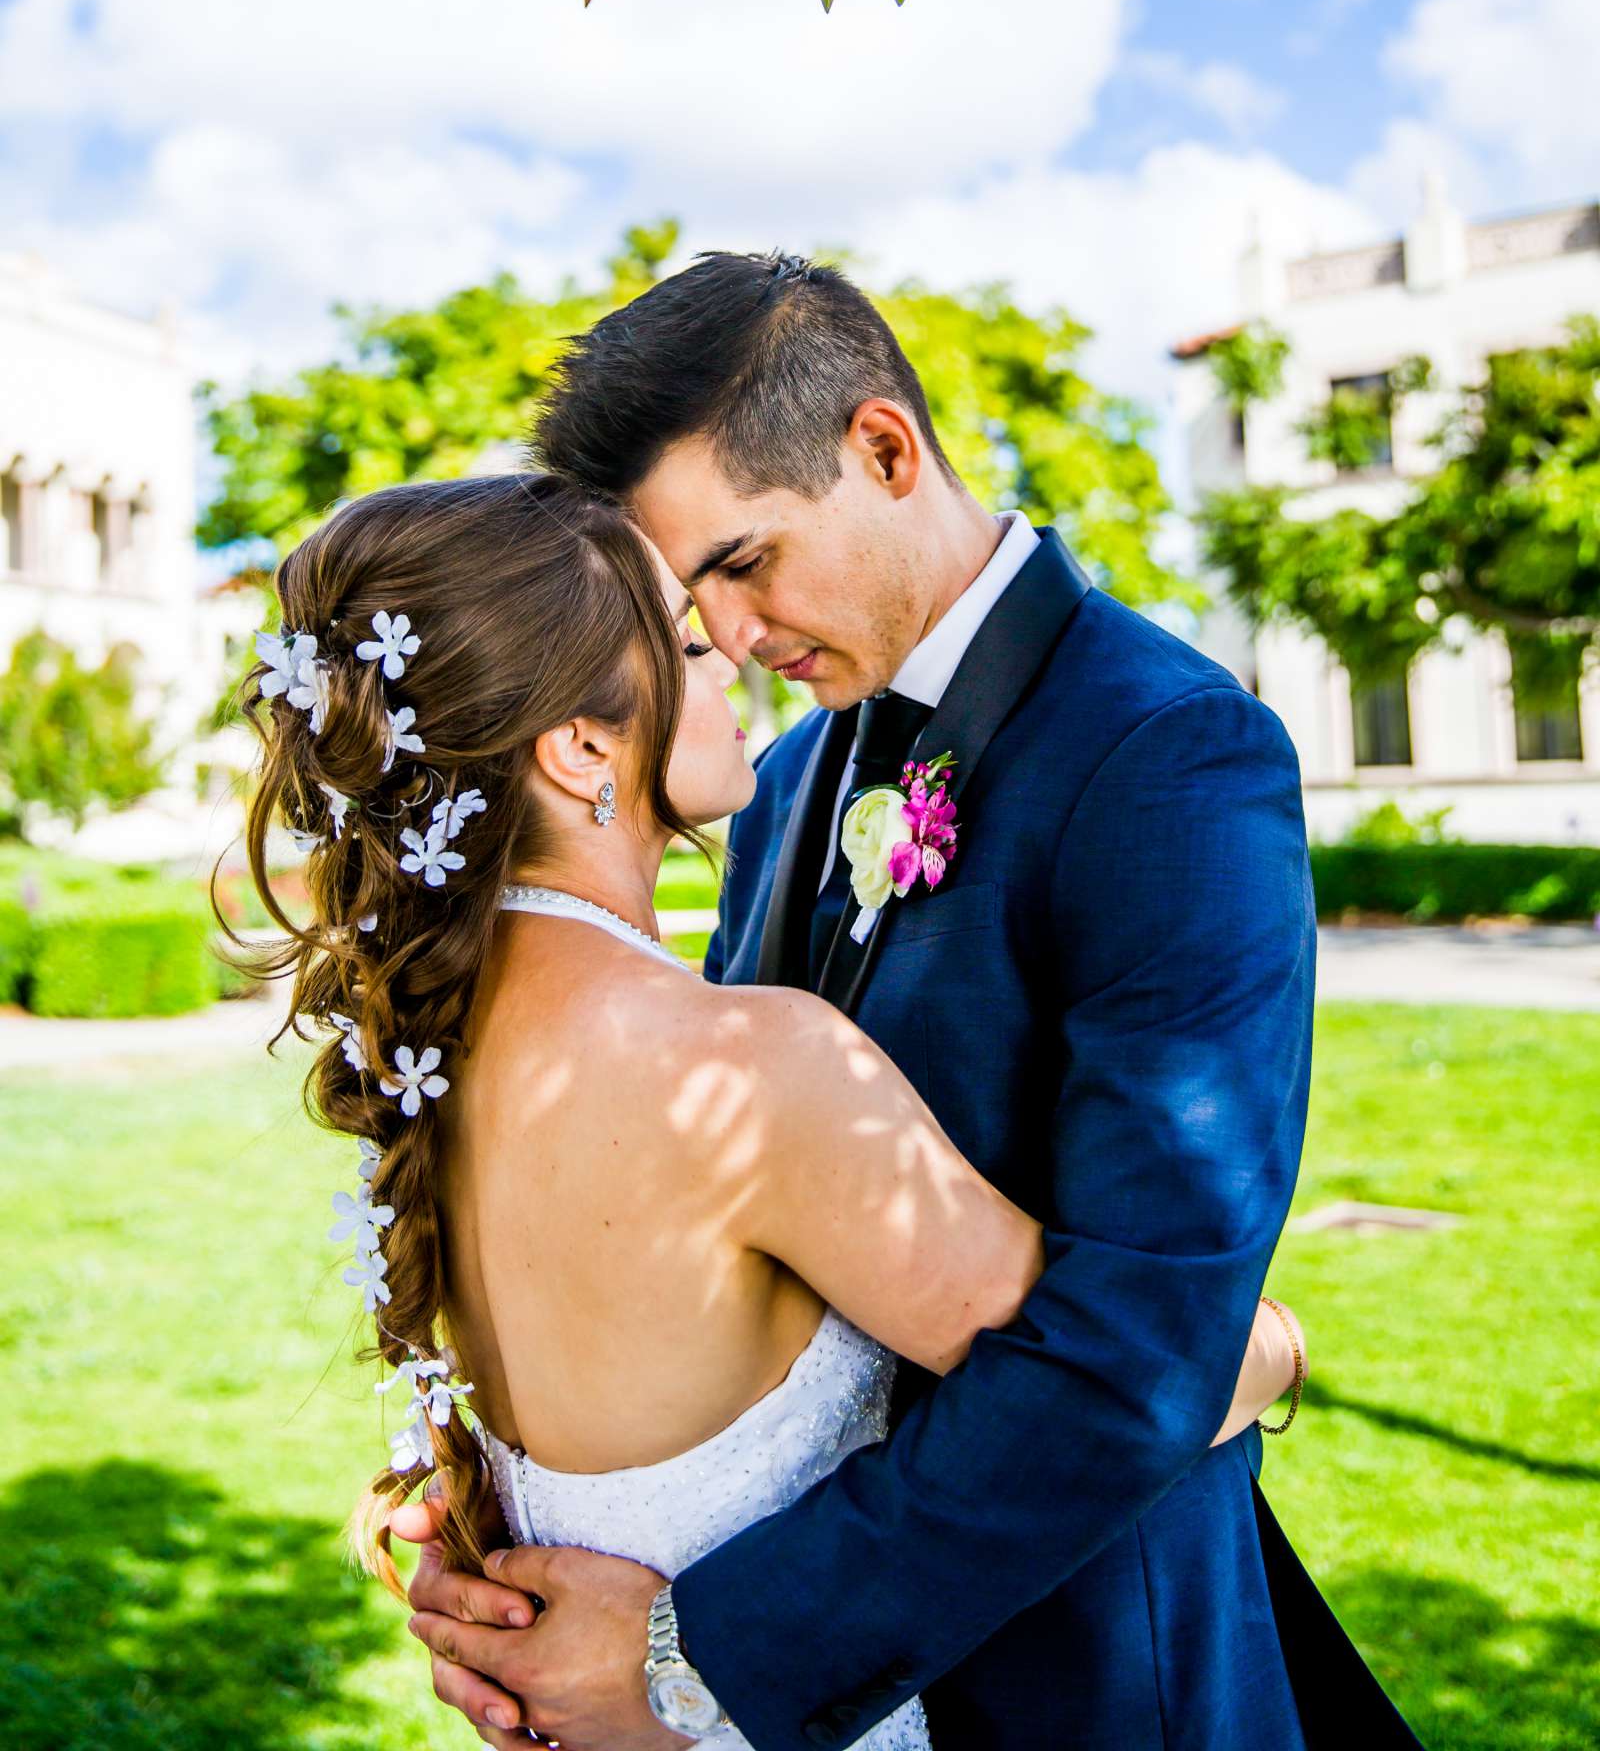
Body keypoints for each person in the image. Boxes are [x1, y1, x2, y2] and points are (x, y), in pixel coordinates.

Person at [394, 253, 1424, 1751]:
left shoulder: (1174, 749)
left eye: (742, 565)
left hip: (1085, 1664)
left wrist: (697, 1659)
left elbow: (1143, 1341)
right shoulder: (783, 777)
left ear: (883, 448)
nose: (729, 641)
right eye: (692, 600)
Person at [239, 460, 1306, 1751]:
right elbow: (1116, 1376)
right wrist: (1280, 1345)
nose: (733, 659)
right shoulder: (740, 1073)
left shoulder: (437, 1062)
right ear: (581, 748)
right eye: (686, 644)